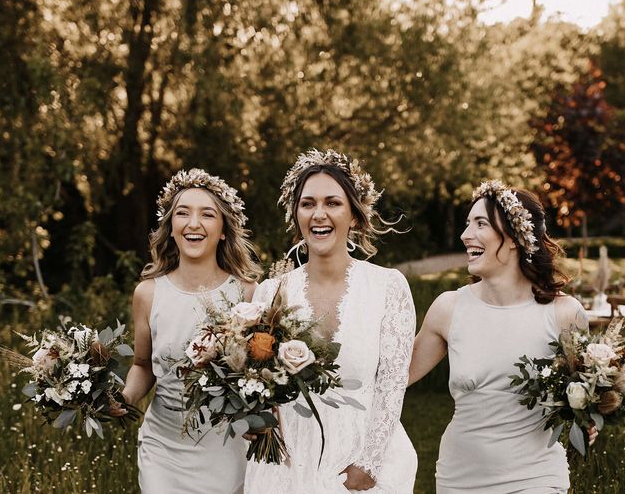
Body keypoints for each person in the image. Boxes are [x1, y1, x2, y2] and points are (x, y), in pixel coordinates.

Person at [244, 149, 417, 493]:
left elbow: (392, 385)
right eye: (307, 204)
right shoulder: (269, 293)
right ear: (296, 215)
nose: (318, 214)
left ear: (354, 215)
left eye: (332, 203)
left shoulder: (388, 287)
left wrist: (368, 463)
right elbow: (256, 380)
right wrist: (255, 415)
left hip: (361, 466)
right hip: (288, 465)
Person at [409, 180, 592, 494]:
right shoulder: (448, 308)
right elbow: (392, 377)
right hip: (459, 478)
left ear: (514, 238)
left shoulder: (564, 314)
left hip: (536, 477)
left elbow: (587, 391)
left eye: (480, 224)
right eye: (467, 224)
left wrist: (589, 416)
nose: (466, 235)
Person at [120, 168, 260, 494]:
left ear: (223, 230)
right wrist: (124, 399)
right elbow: (142, 366)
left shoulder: (248, 294)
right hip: (163, 447)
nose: (193, 223)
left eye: (207, 214)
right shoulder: (147, 294)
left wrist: (259, 416)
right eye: (183, 213)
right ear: (171, 228)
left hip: (226, 448)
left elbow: (261, 374)